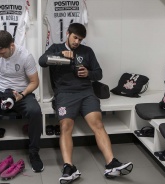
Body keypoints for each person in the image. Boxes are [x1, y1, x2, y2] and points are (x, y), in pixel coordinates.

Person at [39, 23, 133, 183]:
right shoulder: (55, 48)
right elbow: (42, 61)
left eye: (80, 39)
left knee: (97, 124)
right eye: (75, 37)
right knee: (65, 126)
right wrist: (62, 56)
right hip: (64, 94)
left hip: (86, 93)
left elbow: (99, 73)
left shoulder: (87, 51)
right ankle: (69, 168)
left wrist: (88, 73)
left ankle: (111, 163)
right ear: (68, 34)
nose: (77, 42)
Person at [0, 30, 44, 175]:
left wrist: (22, 95)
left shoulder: (25, 56)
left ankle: (34, 153)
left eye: (2, 52)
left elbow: (34, 82)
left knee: (35, 112)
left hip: (20, 93)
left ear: (11, 46)